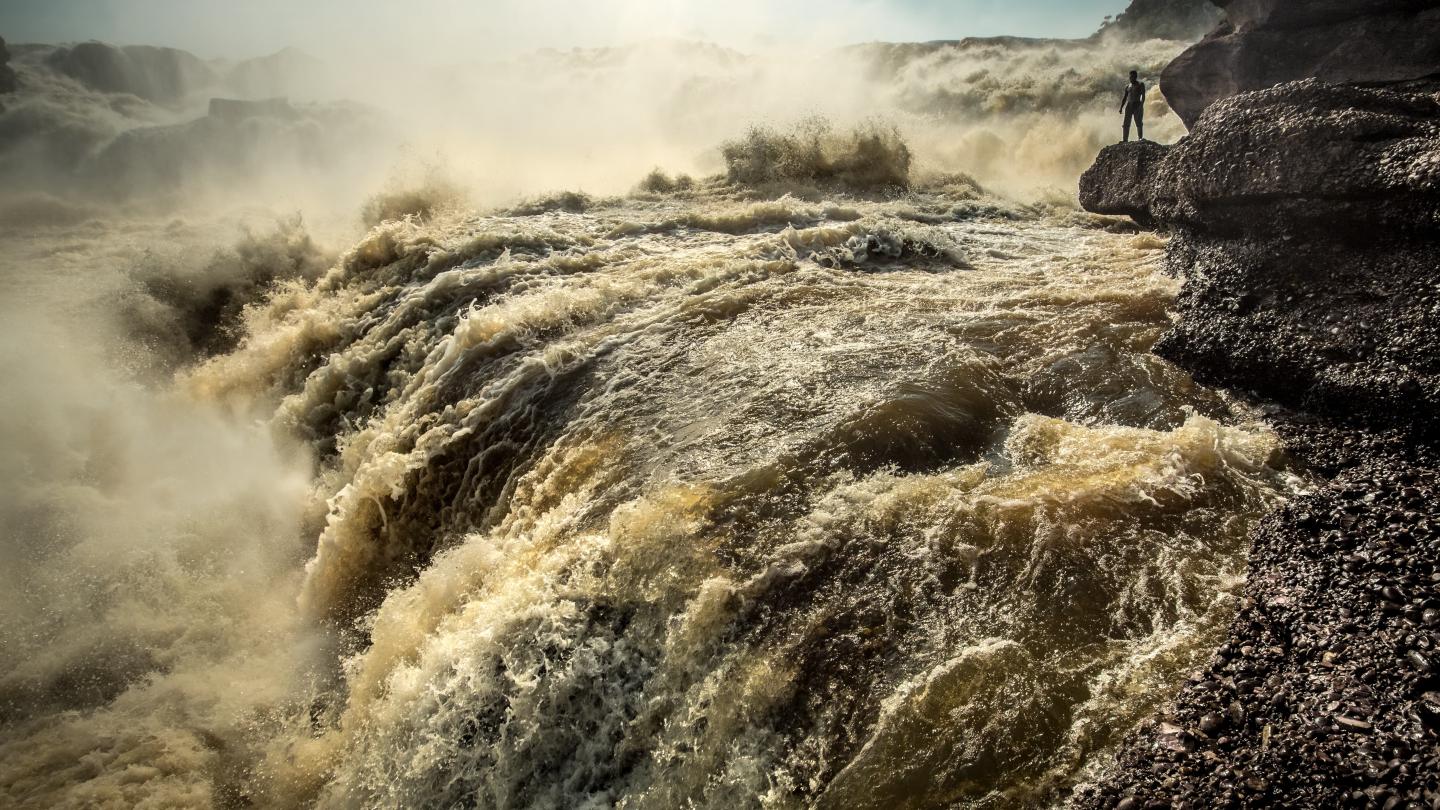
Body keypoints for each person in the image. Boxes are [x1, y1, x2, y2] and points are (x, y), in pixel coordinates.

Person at [1120, 70, 1146, 142]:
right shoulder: (1128, 86)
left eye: (1132, 77)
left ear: (1135, 77)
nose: (1131, 78)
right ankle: (1125, 140)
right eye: (1130, 77)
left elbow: (1143, 95)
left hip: (1137, 104)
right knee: (1126, 123)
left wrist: (1141, 105)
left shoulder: (1140, 84)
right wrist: (1121, 107)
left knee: (1139, 122)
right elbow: (1125, 97)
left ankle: (1140, 138)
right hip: (1129, 105)